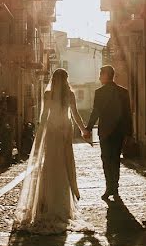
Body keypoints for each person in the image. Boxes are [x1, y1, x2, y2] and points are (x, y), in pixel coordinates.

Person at [14, 68, 86, 234]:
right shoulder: (70, 95)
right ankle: (62, 205)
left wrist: (40, 135)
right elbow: (75, 114)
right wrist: (83, 130)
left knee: (49, 166)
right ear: (66, 80)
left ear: (53, 80)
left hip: (52, 132)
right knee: (64, 165)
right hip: (65, 132)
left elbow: (44, 116)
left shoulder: (48, 95)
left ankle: (46, 204)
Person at [83, 65, 132, 202]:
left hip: (105, 131)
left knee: (106, 159)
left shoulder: (100, 92)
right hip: (119, 131)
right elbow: (127, 114)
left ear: (106, 75)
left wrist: (88, 128)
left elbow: (95, 112)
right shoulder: (123, 92)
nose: (99, 77)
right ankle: (113, 187)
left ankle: (110, 186)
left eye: (100, 74)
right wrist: (129, 133)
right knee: (115, 159)